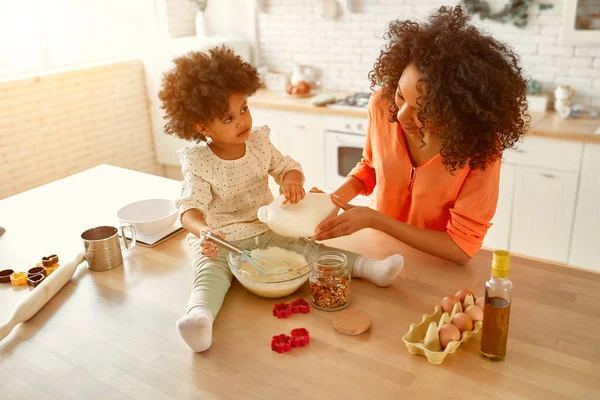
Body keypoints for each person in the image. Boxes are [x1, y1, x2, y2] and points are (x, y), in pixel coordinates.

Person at [158, 47, 405, 352]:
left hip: (267, 230)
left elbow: (287, 167)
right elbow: (189, 209)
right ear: (202, 127)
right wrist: (203, 231)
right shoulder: (198, 162)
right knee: (210, 274)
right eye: (228, 118)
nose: (242, 121)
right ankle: (199, 319)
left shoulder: (259, 142)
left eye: (244, 109)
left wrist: (291, 182)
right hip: (221, 240)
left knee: (311, 250)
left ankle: (371, 269)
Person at [311, 6, 528, 265]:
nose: (401, 116)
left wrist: (376, 220)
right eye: (401, 96)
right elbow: (371, 166)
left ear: (455, 115)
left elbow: (460, 248)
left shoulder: (481, 146)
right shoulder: (382, 104)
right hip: (380, 253)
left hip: (433, 265)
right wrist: (332, 200)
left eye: (422, 112)